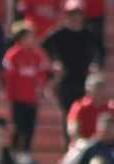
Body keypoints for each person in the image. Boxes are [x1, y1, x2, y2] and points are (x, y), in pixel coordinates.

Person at [42, 1, 102, 143]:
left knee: (85, 112)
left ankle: (86, 142)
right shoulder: (57, 34)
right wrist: (53, 64)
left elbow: (100, 52)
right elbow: (43, 49)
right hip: (65, 81)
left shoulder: (89, 34)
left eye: (77, 14)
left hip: (85, 80)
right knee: (68, 114)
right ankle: (69, 144)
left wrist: (96, 65)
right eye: (71, 14)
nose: (75, 17)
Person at [3, 20, 52, 152]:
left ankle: (26, 153)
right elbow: (9, 77)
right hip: (17, 98)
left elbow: (43, 73)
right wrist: (10, 96)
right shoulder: (12, 55)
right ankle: (13, 153)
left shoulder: (37, 55)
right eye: (28, 37)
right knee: (17, 128)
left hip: (32, 98)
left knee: (29, 128)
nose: (31, 40)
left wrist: (41, 89)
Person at [66, 73, 114, 142]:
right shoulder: (80, 106)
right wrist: (81, 142)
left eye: (102, 88)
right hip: (84, 144)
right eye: (97, 89)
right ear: (89, 90)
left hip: (107, 145)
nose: (100, 92)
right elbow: (72, 129)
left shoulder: (112, 108)